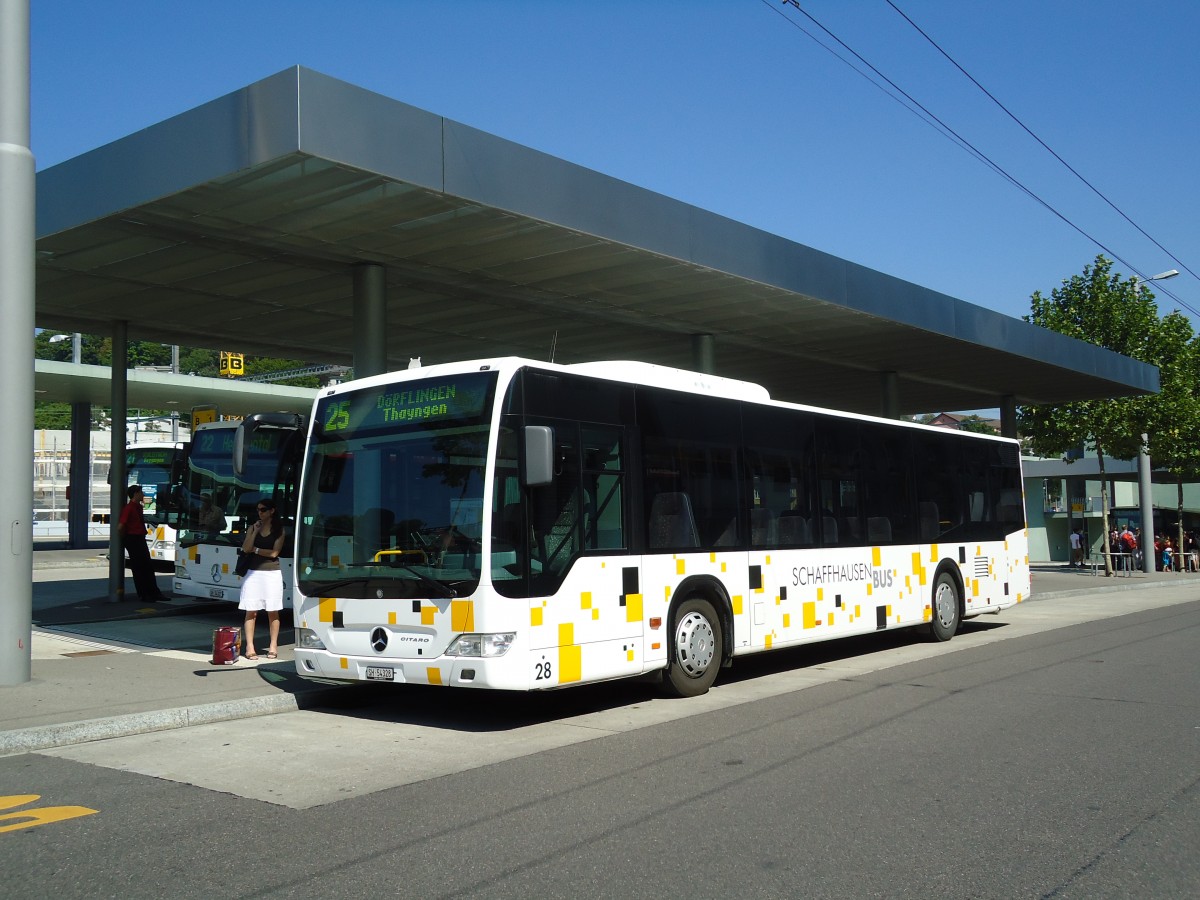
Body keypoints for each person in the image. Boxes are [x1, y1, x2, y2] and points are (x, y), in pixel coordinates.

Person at [239, 498, 286, 660]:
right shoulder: (253, 527)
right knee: (251, 610)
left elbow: (274, 553)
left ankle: (273, 645)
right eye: (258, 509)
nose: (260, 512)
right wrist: (255, 532)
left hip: (272, 573)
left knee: (273, 611)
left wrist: (256, 549)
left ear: (272, 511)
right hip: (253, 573)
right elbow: (246, 548)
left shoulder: (279, 530)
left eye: (263, 509)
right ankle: (250, 647)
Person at [117, 484, 169, 602]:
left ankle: (154, 593)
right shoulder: (129, 508)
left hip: (139, 538)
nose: (143, 495)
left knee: (147, 567)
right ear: (136, 494)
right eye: (141, 492)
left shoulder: (138, 507)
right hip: (133, 539)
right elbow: (120, 526)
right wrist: (126, 539)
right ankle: (144, 594)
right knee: (139, 568)